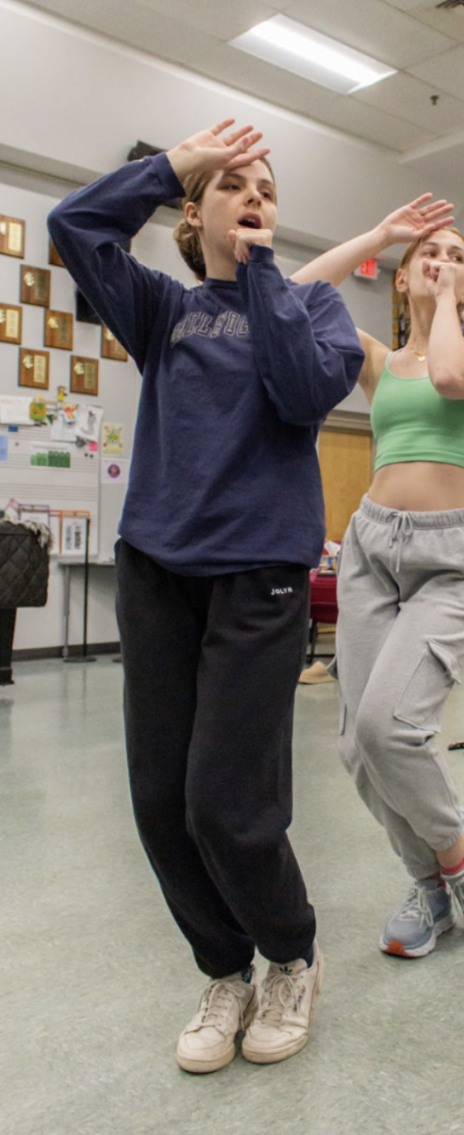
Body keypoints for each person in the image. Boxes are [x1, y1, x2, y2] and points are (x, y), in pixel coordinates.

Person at [48, 120, 364, 1073]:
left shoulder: (316, 308)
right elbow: (73, 225)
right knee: (158, 800)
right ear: (197, 210)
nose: (254, 193)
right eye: (232, 184)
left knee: (227, 801)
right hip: (157, 571)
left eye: (266, 185)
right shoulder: (162, 309)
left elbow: (303, 392)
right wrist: (174, 163)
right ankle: (224, 966)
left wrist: (263, 271)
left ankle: (291, 954)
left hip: (259, 575)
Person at [294, 218, 464, 957]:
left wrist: (451, 300)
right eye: (431, 255)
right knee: (358, 748)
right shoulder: (381, 362)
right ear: (401, 275)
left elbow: (452, 377)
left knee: (389, 727)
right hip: (371, 549)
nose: (445, 263)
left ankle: (459, 851)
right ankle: (428, 885)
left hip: (452, 558)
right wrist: (378, 234)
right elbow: (291, 297)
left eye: (459, 257)